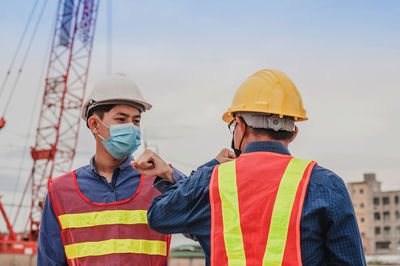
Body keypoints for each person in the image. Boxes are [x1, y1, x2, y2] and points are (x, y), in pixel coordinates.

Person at [132, 69, 366, 265]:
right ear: (293, 133)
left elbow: (159, 216)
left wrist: (208, 168)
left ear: (241, 126)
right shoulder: (326, 185)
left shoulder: (214, 182)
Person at [37, 74, 181, 265]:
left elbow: (206, 214)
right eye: (121, 119)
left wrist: (171, 176)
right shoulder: (60, 191)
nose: (131, 128)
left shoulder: (159, 180)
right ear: (95, 124)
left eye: (136, 121)